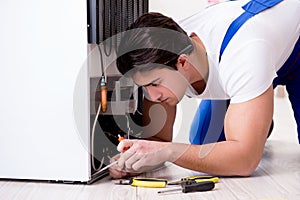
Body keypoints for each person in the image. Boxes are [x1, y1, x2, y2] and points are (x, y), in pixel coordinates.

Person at [109, 0, 300, 179]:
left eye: (155, 84)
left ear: (183, 62)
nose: (152, 96)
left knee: (232, 154)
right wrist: (135, 159)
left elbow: (245, 161)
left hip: (292, 49)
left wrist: (169, 151)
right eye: (144, 87)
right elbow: (158, 140)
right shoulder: (158, 54)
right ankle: (253, 111)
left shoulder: (243, 55)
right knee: (205, 143)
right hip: (253, 62)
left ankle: (254, 112)